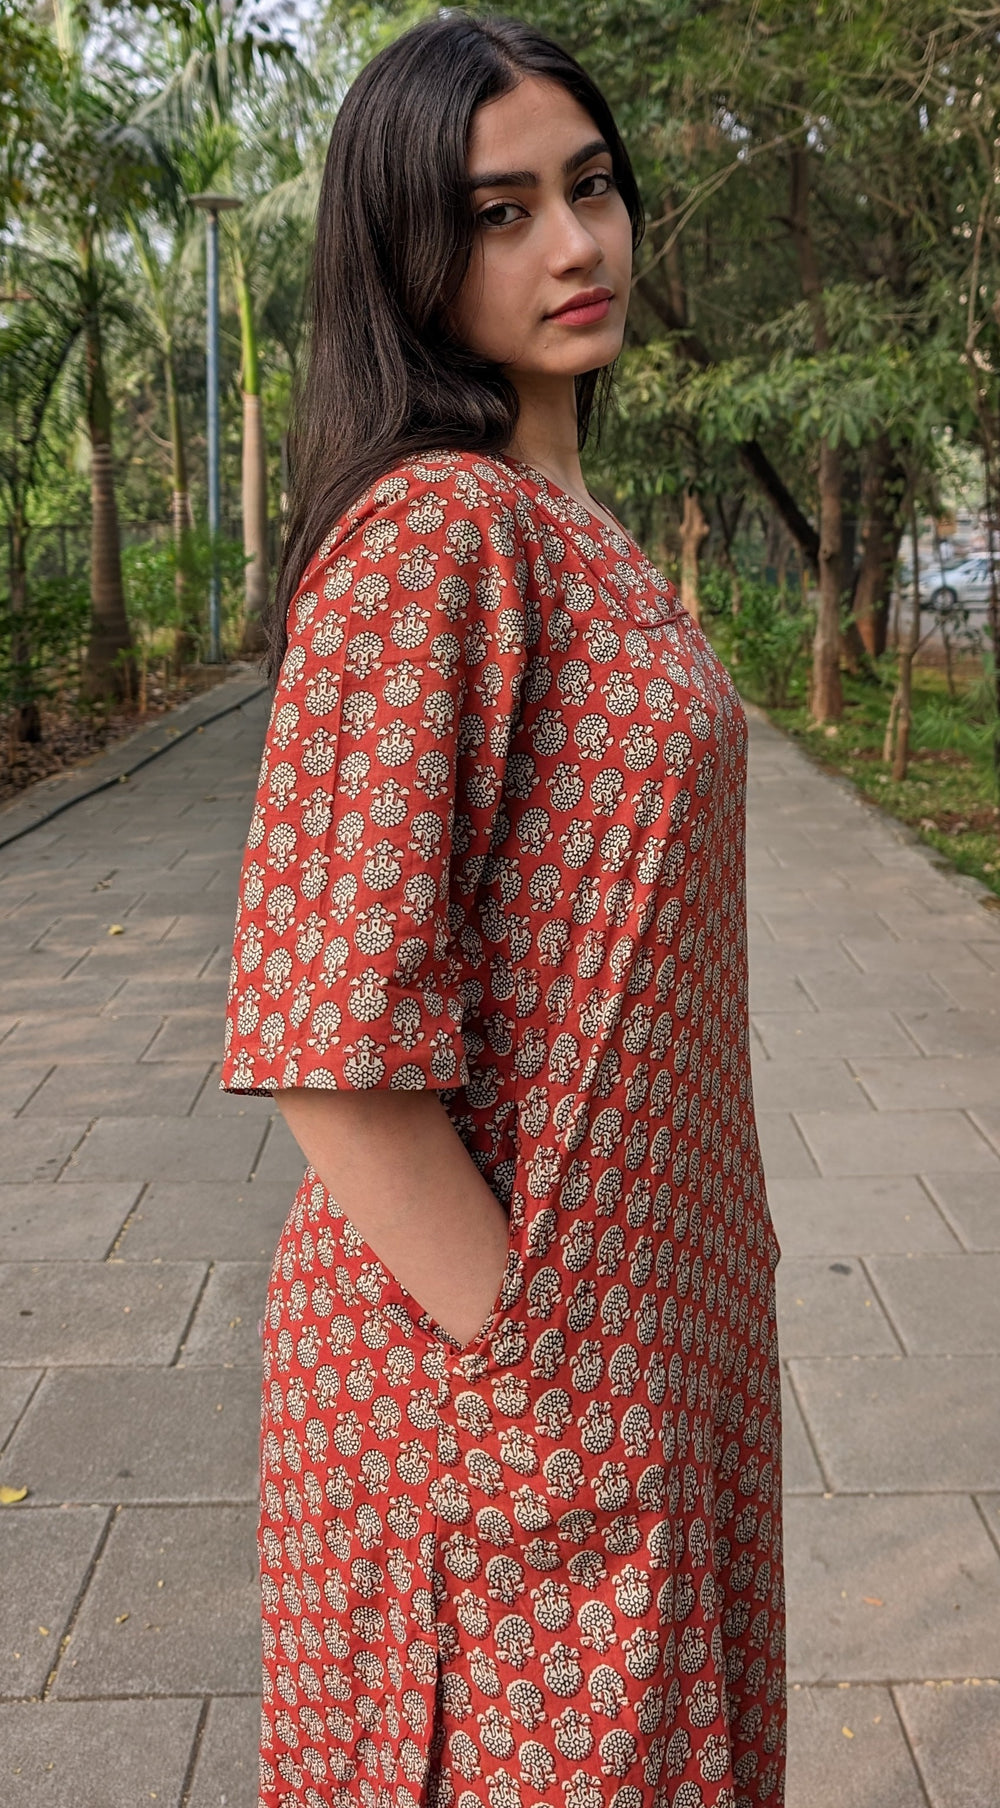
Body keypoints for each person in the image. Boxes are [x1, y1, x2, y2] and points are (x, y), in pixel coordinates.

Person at [221, 12, 785, 1807]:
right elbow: (330, 1044)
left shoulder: (572, 523)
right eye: (498, 211)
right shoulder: (430, 539)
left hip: (643, 1363)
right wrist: (544, 1390)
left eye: (593, 187)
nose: (572, 244)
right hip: (503, 1420)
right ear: (405, 251)